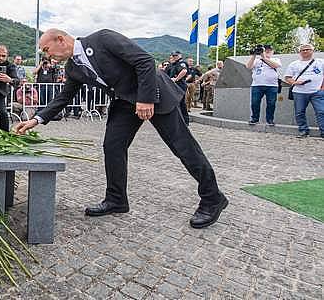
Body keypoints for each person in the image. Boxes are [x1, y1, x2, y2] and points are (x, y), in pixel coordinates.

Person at [14, 29, 228, 229]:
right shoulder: (72, 68)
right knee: (113, 146)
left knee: (182, 146)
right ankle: (116, 199)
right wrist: (36, 120)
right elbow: (64, 97)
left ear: (60, 40)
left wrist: (146, 99)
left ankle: (212, 198)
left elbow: (144, 61)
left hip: (153, 93)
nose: (48, 56)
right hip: (125, 102)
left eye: (46, 50)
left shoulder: (103, 39)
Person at [284, 43, 324, 138]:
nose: (305, 51)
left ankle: (323, 132)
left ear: (312, 51)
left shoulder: (321, 62)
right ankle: (303, 131)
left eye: (308, 49)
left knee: (321, 111)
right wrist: (295, 82)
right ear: (300, 52)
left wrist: (322, 88)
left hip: (317, 92)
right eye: (303, 50)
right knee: (299, 112)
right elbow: (287, 78)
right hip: (299, 92)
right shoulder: (294, 64)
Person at [246, 45, 281, 125]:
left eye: (270, 50)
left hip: (272, 86)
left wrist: (264, 57)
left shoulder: (276, 59)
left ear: (273, 52)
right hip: (257, 85)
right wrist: (253, 55)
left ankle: (270, 120)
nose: (268, 51)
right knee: (255, 103)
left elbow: (275, 65)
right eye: (266, 50)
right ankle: (254, 118)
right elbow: (248, 66)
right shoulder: (257, 60)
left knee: (271, 103)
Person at [166, 51, 190, 123]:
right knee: (176, 103)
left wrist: (176, 79)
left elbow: (184, 71)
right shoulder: (174, 64)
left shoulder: (181, 63)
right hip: (174, 86)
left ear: (180, 55)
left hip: (179, 86)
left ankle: (184, 121)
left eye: (176, 55)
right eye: (173, 56)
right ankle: (178, 120)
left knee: (180, 103)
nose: (174, 57)